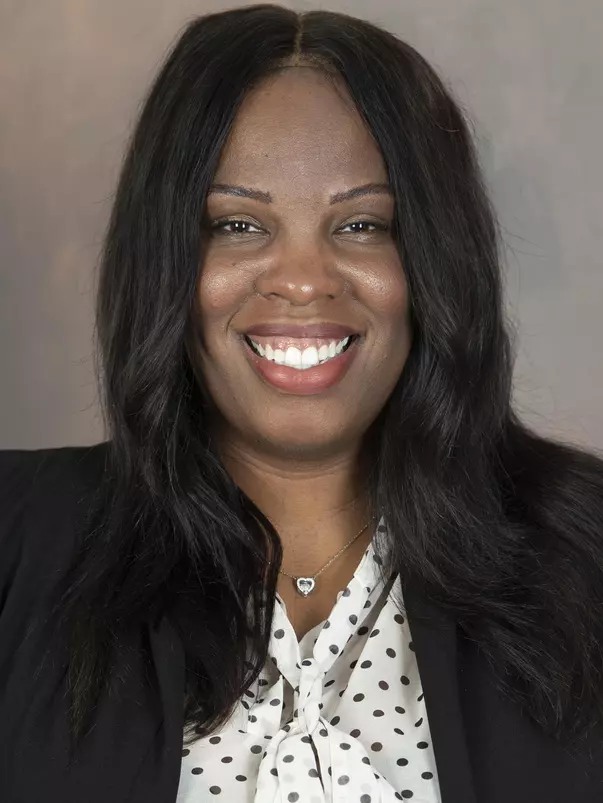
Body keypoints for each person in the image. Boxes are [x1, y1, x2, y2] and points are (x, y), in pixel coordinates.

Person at [1, 4, 602, 802]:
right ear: (167, 257)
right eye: (237, 223)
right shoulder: (15, 540)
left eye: (361, 224)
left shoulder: (587, 554)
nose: (303, 279)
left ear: (433, 258)